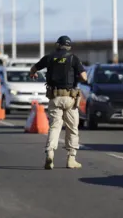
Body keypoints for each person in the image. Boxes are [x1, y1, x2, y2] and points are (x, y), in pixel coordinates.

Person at [29, 35, 87, 170]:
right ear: (69, 46)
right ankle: (71, 159)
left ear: (57, 45)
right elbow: (84, 77)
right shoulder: (73, 58)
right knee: (72, 128)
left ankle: (50, 153)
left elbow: (34, 69)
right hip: (70, 99)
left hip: (54, 97)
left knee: (55, 127)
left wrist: (33, 74)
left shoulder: (49, 57)